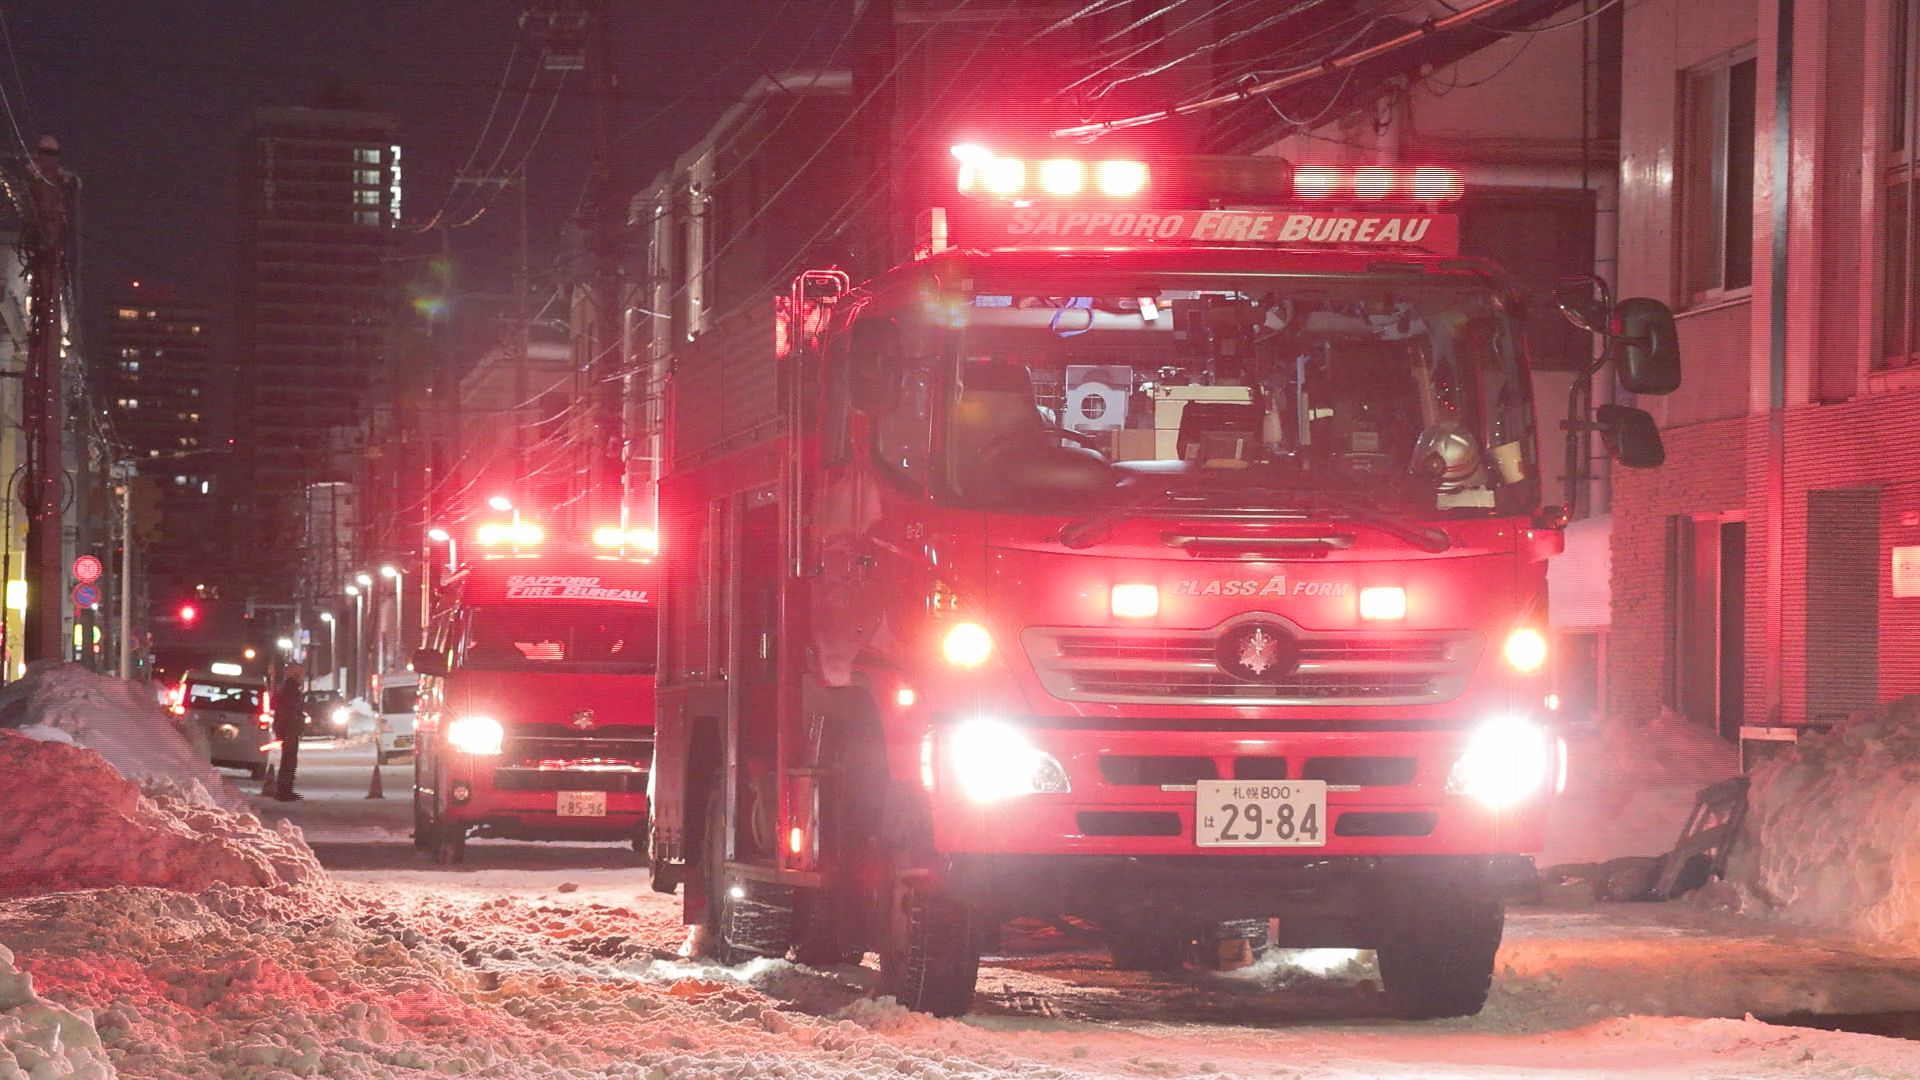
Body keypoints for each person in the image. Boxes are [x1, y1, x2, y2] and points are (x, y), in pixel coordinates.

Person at [272, 662, 307, 801]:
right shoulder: (290, 690)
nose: (303, 676)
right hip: (289, 729)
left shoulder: (290, 689)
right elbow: (289, 711)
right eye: (301, 673)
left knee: (289, 760)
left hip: (289, 729)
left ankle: (286, 789)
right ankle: (284, 791)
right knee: (289, 760)